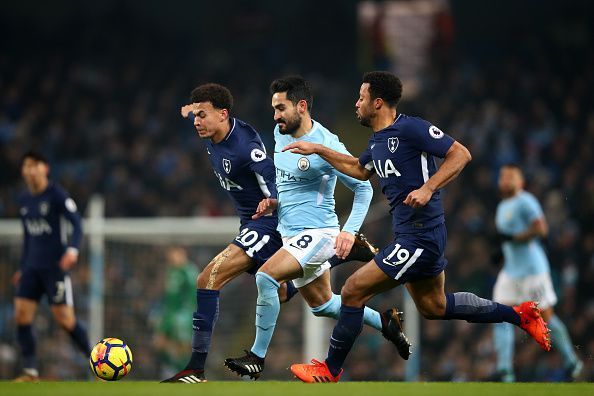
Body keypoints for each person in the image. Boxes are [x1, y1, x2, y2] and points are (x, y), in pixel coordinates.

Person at [285, 71, 551, 383]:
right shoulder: (377, 142)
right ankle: (521, 315)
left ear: (378, 102)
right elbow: (358, 170)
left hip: (421, 236)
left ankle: (329, 370)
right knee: (434, 306)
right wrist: (319, 149)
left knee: (353, 290)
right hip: (411, 235)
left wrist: (428, 188)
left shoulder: (411, 128)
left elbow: (460, 154)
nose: (356, 104)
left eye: (361, 98)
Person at [162, 83, 382, 383]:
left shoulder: (245, 146)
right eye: (194, 115)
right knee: (321, 304)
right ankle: (384, 320)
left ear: (223, 114)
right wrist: (192, 108)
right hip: (258, 224)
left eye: (203, 115)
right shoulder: (217, 136)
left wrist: (275, 199)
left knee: (208, 278)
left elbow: (269, 172)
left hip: (267, 225)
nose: (197, 121)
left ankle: (196, 368)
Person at [224, 76, 410, 380]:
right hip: (291, 235)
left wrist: (348, 231)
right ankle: (386, 322)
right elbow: (289, 185)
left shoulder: (327, 144)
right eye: (273, 109)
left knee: (266, 277)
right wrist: (274, 201)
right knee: (323, 305)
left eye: (281, 108)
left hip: (320, 233)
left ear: (301, 105)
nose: (275, 116)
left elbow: (364, 188)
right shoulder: (279, 133)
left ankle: (256, 357)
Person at [492, 164, 583, 382]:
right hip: (511, 272)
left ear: (520, 182)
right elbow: (509, 238)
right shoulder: (503, 206)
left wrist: (514, 239)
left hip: (533, 272)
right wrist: (502, 252)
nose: (506, 180)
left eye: (511, 177)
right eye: (503, 176)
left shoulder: (526, 201)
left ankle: (572, 361)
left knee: (546, 317)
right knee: (497, 315)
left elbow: (541, 229)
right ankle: (505, 370)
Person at [12, 151, 89, 381]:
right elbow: (28, 237)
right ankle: (30, 371)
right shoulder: (25, 200)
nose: (30, 169)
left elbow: (76, 223)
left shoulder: (57, 195)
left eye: (35, 165)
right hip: (31, 269)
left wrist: (72, 250)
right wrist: (22, 266)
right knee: (21, 316)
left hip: (54, 268)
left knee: (65, 319)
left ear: (45, 168)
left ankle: (96, 364)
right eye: (26, 165)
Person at [154, 247, 199, 378]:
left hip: (183, 314)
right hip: (169, 313)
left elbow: (193, 293)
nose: (172, 258)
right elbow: (169, 294)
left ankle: (185, 372)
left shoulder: (189, 271)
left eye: (175, 255)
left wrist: (188, 312)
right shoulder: (171, 271)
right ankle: (176, 369)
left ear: (182, 254)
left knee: (183, 346)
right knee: (159, 343)